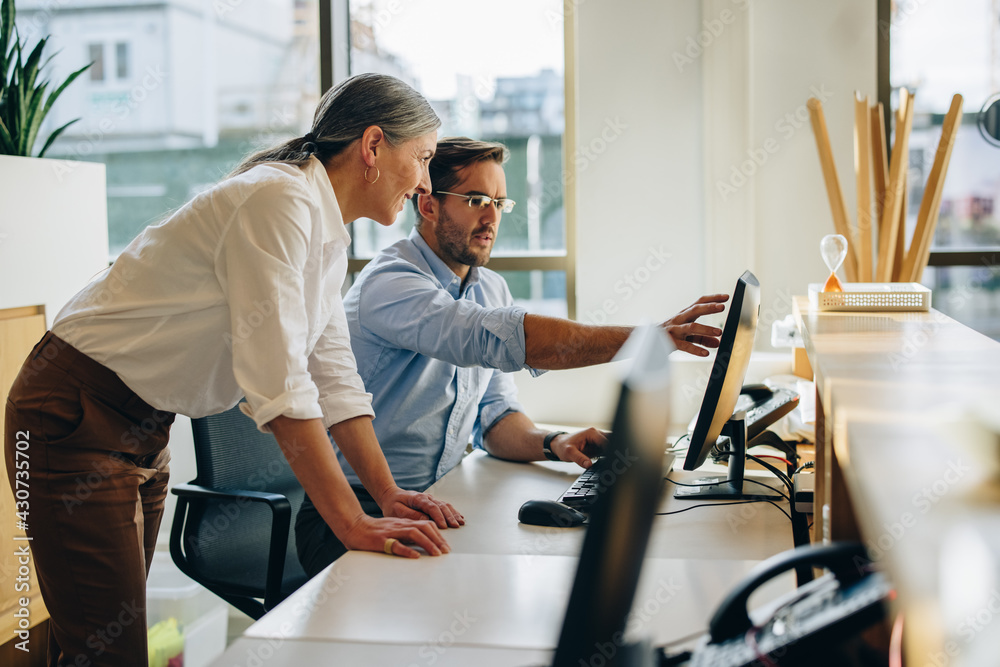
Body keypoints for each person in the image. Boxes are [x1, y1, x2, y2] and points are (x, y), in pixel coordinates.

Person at [3, 73, 466, 667]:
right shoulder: (278, 200)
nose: (425, 181)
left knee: (104, 641)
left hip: (142, 421)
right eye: (423, 159)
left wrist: (386, 495)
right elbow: (281, 389)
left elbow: (333, 376)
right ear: (374, 147)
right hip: (75, 410)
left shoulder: (324, 232)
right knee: (106, 652)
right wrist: (350, 522)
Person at [294, 137, 728, 576]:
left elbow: (494, 416)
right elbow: (496, 340)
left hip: (440, 500)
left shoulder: (489, 288)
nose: (492, 218)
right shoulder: (390, 284)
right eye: (477, 200)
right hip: (354, 511)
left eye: (501, 203)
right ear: (428, 205)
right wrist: (649, 338)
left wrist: (553, 442)